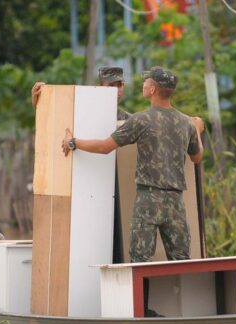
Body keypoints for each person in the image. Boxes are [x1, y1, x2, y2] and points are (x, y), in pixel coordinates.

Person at [61, 66, 204, 263]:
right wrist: (197, 130)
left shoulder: (140, 120)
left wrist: (73, 142)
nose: (142, 84)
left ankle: (140, 296)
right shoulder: (186, 123)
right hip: (175, 201)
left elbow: (104, 147)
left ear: (152, 89)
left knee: (140, 263)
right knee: (181, 259)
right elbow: (197, 158)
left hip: (148, 201)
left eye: (146, 81)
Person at [31, 66, 131, 121]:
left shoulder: (127, 119)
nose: (117, 89)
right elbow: (54, 117)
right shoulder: (83, 111)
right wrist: (37, 101)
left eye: (119, 85)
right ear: (100, 87)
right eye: (111, 85)